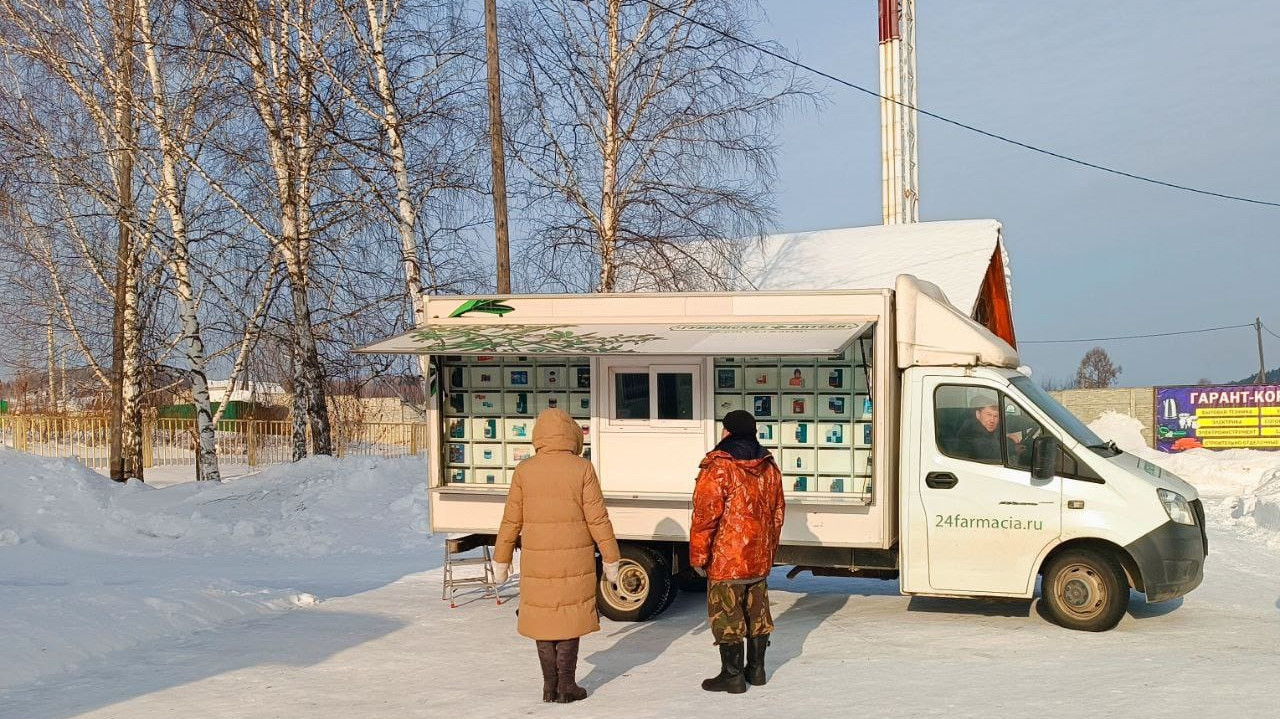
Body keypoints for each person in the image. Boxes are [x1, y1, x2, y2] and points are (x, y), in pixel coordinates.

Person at [493, 409, 622, 703]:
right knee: (568, 617)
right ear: (573, 436)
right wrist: (611, 559)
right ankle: (567, 685)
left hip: (537, 561)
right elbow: (598, 520)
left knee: (543, 619)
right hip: (574, 561)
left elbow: (510, 520)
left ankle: (549, 687)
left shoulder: (525, 470)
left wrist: (502, 559)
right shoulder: (582, 469)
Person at [690, 410, 786, 693]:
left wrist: (698, 556)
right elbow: (777, 513)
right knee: (757, 614)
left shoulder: (719, 466)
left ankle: (732, 676)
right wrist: (768, 550)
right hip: (757, 558)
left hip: (727, 558)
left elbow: (705, 516)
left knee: (727, 615)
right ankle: (756, 671)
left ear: (728, 432)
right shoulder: (768, 465)